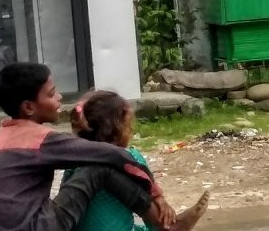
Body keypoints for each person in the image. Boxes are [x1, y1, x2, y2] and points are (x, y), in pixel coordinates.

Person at [0, 63, 208, 231]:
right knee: (101, 167)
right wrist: (157, 195)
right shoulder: (40, 139)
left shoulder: (1, 136)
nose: (59, 97)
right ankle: (168, 226)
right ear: (29, 107)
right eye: (51, 94)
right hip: (37, 227)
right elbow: (114, 155)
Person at [64, 90, 210, 231]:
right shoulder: (130, 156)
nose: (131, 129)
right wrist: (160, 198)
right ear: (115, 130)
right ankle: (167, 226)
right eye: (128, 126)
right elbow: (146, 185)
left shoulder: (75, 162)